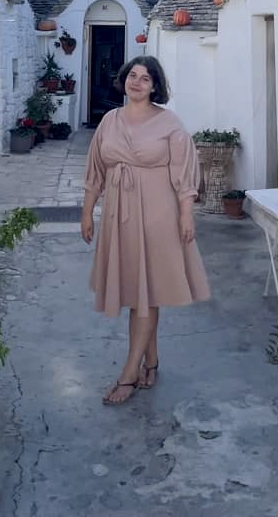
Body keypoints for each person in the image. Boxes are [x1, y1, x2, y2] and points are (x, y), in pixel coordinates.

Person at [80, 55, 211, 405]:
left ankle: (129, 373)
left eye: (145, 78)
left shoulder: (170, 124)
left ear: (155, 87)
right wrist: (87, 212)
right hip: (118, 216)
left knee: (145, 293)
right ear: (124, 80)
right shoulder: (109, 121)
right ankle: (150, 360)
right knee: (138, 291)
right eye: (132, 75)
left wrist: (186, 215)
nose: (137, 82)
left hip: (157, 215)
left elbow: (184, 174)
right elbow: (96, 171)